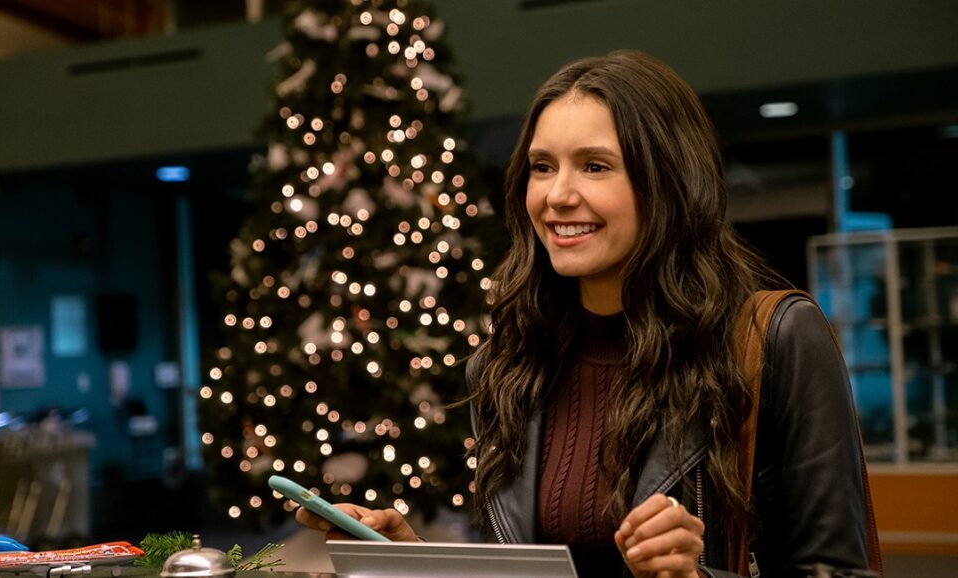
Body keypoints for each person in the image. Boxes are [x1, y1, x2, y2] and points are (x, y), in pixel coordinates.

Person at [294, 50, 874, 578]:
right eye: (542, 167)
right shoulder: (506, 367)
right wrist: (415, 563)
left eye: (595, 166)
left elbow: (838, 573)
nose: (557, 195)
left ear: (668, 182)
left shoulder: (776, 340)